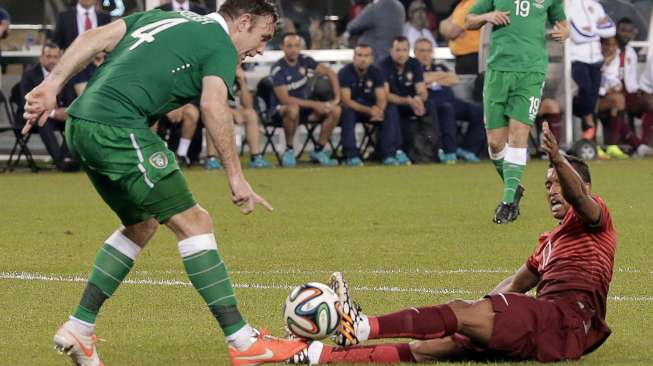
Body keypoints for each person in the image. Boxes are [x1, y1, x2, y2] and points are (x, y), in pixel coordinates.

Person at [21, 2, 305, 365]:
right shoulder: (219, 42)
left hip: (81, 125)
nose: (262, 48)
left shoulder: (166, 16)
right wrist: (236, 176)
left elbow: (94, 38)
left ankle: (80, 328)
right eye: (263, 37)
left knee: (142, 224)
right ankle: (242, 341)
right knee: (196, 223)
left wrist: (51, 85)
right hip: (117, 128)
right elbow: (213, 106)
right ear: (243, 22)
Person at [286, 122, 617, 364]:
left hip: (563, 318)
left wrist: (558, 159)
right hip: (548, 334)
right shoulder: (549, 243)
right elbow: (515, 283)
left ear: (583, 185)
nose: (552, 189)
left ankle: (361, 326)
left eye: (558, 181)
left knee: (460, 312)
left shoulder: (595, 214)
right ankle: (318, 356)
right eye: (547, 184)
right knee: (438, 346)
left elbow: (580, 199)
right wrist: (478, 313)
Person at [465, 0, 569, 224]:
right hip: (498, 72)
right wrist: (487, 17)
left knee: (518, 134)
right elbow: (468, 20)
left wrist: (564, 32)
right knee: (495, 143)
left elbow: (562, 23)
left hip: (531, 72)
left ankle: (507, 202)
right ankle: (514, 187)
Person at [270, 33, 341, 167]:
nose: (293, 49)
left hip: (305, 109)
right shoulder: (278, 69)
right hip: (281, 111)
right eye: (289, 46)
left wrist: (336, 99)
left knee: (335, 110)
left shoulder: (305, 60)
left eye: (296, 46)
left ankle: (319, 150)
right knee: (292, 109)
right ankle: (289, 150)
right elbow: (285, 99)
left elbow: (330, 73)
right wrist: (315, 104)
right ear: (282, 48)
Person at [414, 37, 484, 164]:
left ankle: (467, 149)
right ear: (415, 52)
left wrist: (432, 80)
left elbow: (454, 79)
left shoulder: (440, 66)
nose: (425, 54)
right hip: (432, 105)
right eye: (422, 51)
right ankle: (449, 151)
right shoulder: (413, 68)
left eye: (428, 51)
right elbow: (422, 79)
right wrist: (441, 78)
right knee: (446, 109)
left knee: (480, 110)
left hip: (452, 101)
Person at [17, 43, 79, 171]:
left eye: (55, 57)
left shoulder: (65, 74)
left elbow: (71, 99)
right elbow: (27, 102)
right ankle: (60, 161)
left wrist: (67, 111)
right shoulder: (29, 75)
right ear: (41, 58)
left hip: (59, 118)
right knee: (44, 121)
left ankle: (66, 158)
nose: (52, 60)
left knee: (74, 122)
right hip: (31, 117)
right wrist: (53, 113)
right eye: (48, 56)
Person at [338, 43, 402, 166]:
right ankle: (351, 154)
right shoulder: (345, 72)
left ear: (371, 58)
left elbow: (382, 97)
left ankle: (388, 154)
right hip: (355, 109)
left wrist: (379, 111)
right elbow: (346, 100)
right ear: (354, 57)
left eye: (366, 55)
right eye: (360, 55)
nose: (363, 59)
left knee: (390, 109)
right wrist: (369, 111)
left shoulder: (377, 72)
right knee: (347, 111)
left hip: (371, 109)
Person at [378, 36, 432, 165]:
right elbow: (385, 95)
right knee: (391, 109)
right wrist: (408, 101)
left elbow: (422, 90)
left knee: (431, 105)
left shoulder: (414, 64)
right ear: (391, 51)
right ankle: (391, 153)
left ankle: (434, 150)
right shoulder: (383, 66)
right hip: (393, 104)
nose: (401, 54)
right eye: (398, 50)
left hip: (411, 104)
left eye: (404, 50)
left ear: (409, 51)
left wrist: (419, 100)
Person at [206, 67, 273, 169]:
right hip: (211, 108)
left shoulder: (238, 76)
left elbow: (248, 104)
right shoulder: (216, 72)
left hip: (232, 110)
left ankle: (256, 157)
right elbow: (213, 101)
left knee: (251, 114)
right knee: (213, 115)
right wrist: (230, 111)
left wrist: (242, 83)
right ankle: (211, 159)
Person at [568, 0, 615, 142]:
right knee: (586, 89)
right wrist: (598, 30)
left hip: (596, 59)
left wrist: (591, 28)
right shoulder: (568, 5)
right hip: (577, 59)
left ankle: (588, 134)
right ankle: (586, 122)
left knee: (593, 97)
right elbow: (576, 35)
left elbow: (611, 29)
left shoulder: (596, 6)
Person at [597, 37, 647, 158]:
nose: (611, 48)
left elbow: (614, 80)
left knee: (619, 100)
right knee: (619, 100)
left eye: (614, 45)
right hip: (591, 98)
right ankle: (635, 145)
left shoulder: (615, 59)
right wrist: (605, 90)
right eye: (607, 45)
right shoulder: (593, 58)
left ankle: (614, 146)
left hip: (608, 99)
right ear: (601, 45)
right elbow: (590, 84)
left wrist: (615, 87)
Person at [439, 0, 481, 75]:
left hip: (471, 58)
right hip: (465, 59)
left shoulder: (470, 4)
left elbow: (451, 32)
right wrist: (447, 26)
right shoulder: (461, 5)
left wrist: (448, 26)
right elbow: (442, 25)